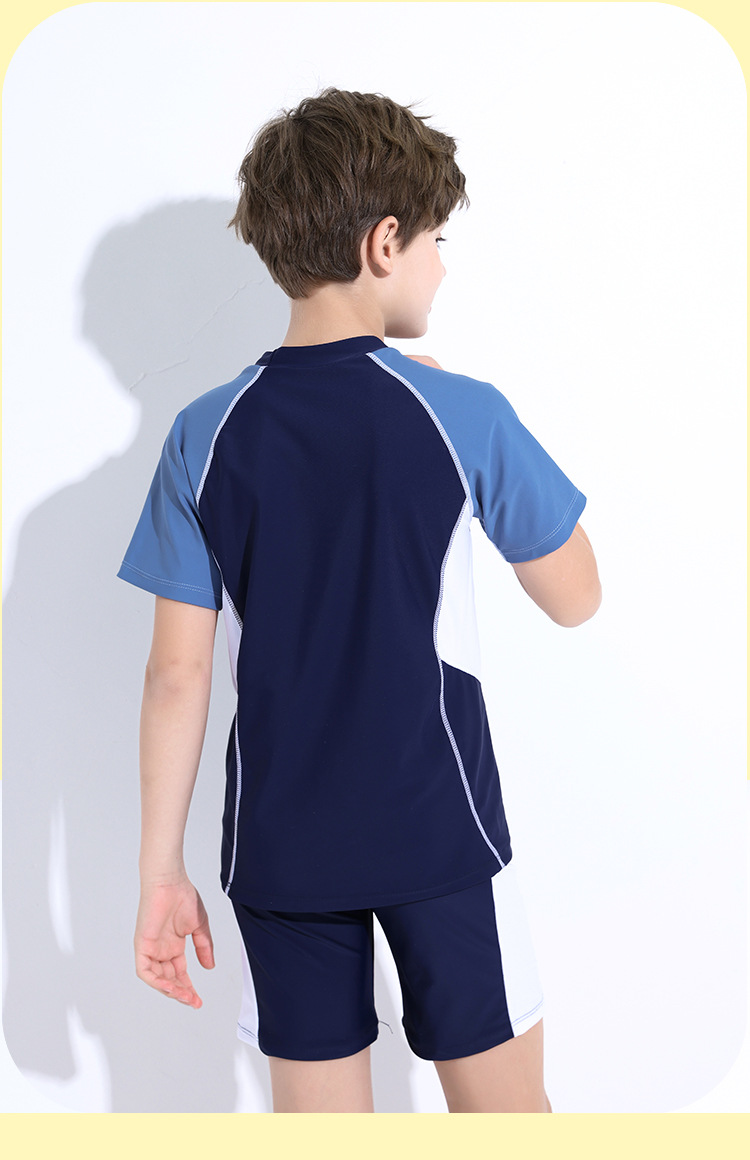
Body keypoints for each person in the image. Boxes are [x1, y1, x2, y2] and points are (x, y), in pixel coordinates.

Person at [118, 88, 601, 1113]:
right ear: (385, 242)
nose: (442, 265)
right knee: (511, 1121)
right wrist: (468, 425)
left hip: (279, 850)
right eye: (435, 240)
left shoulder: (205, 433)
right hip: (443, 833)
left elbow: (175, 675)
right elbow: (576, 594)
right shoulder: (458, 410)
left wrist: (162, 869)